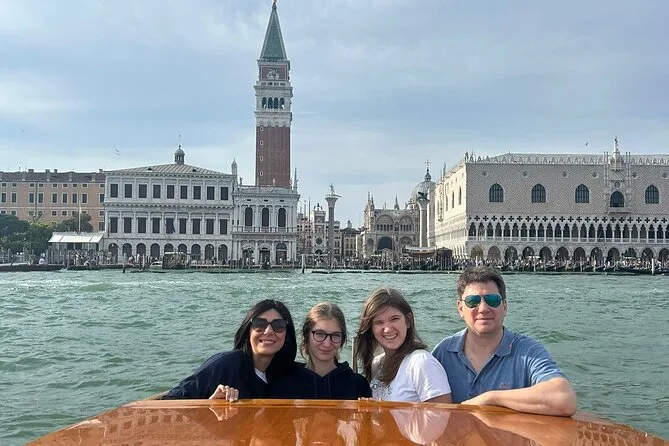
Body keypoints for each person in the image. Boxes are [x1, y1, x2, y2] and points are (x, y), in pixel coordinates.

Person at [431, 266, 577, 416]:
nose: (483, 308)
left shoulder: (528, 351)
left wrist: (491, 398)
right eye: (473, 301)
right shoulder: (443, 353)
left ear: (505, 307)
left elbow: (564, 399)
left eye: (492, 300)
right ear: (460, 308)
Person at [161, 299, 297, 400]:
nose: (268, 331)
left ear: (287, 333)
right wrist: (210, 405)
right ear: (248, 331)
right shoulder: (224, 365)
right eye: (259, 324)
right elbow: (170, 401)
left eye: (278, 325)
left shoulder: (289, 374)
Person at [354, 286, 452, 403]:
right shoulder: (376, 364)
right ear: (370, 328)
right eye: (379, 322)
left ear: (408, 321)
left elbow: (442, 413)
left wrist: (385, 410)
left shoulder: (421, 363)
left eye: (394, 319)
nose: (387, 329)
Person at [268, 302, 371, 399]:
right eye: (320, 334)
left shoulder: (358, 385)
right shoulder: (284, 382)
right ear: (306, 335)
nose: (327, 344)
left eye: (335, 335)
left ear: (342, 340)